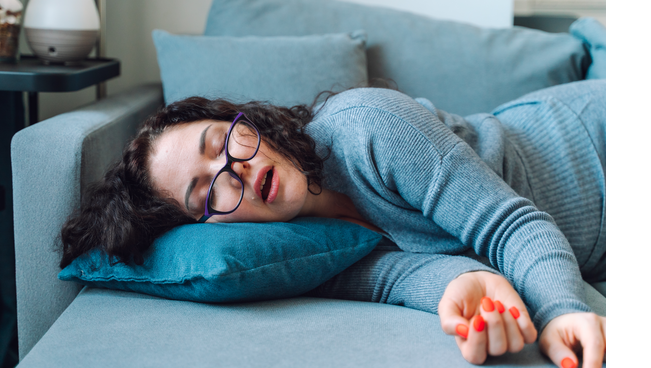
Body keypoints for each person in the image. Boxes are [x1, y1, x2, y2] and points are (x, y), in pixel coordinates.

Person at [60, 79, 606, 368]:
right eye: (208, 189)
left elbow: (510, 227)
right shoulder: (304, 250)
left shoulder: (366, 126)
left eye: (223, 141)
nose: (237, 170)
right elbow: (396, 277)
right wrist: (465, 286)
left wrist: (560, 308)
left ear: (243, 122)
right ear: (208, 225)